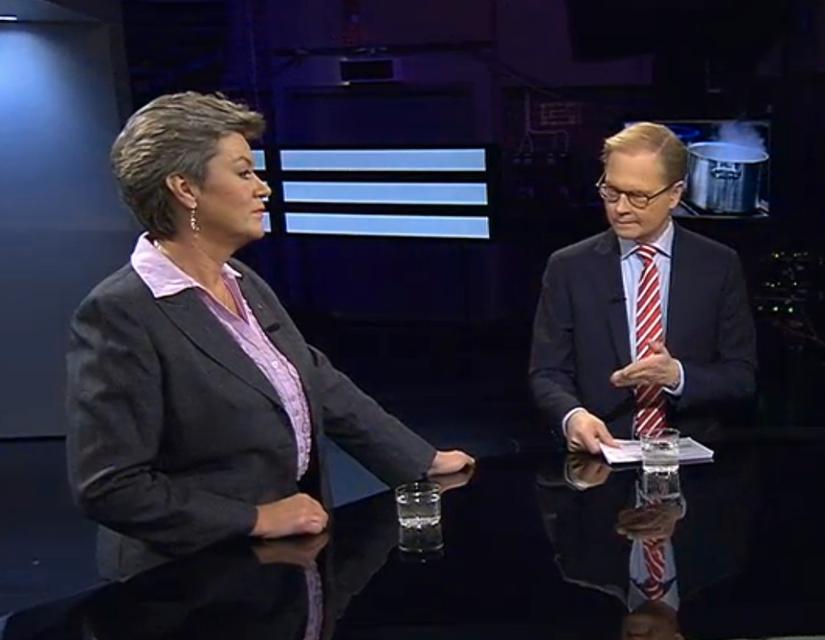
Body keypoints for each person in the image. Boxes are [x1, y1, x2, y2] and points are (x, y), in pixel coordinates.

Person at [67, 92, 474, 579]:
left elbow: (316, 381)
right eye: (244, 173)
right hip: (184, 583)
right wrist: (255, 518)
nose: (263, 188)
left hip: (277, 566)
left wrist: (421, 462)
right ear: (185, 189)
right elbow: (110, 487)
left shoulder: (243, 281)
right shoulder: (121, 313)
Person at [529, 122, 757, 453]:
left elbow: (742, 377)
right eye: (611, 192)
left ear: (675, 194)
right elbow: (547, 372)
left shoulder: (718, 265)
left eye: (638, 196)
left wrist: (676, 376)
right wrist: (573, 416)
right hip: (601, 456)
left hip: (693, 461)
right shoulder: (569, 267)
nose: (620, 208)